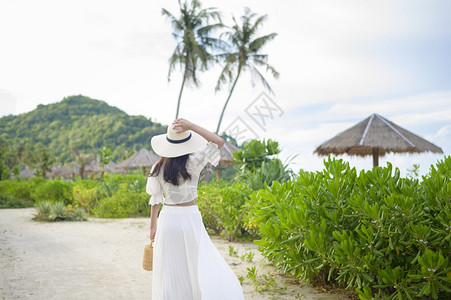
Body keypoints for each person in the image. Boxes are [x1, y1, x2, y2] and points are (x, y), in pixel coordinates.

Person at [147, 118, 245, 300]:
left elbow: (155, 199)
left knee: (170, 271)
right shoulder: (194, 160)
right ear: (186, 141)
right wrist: (192, 126)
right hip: (190, 218)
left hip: (167, 219)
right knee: (196, 265)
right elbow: (219, 142)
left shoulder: (158, 166)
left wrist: (153, 226)